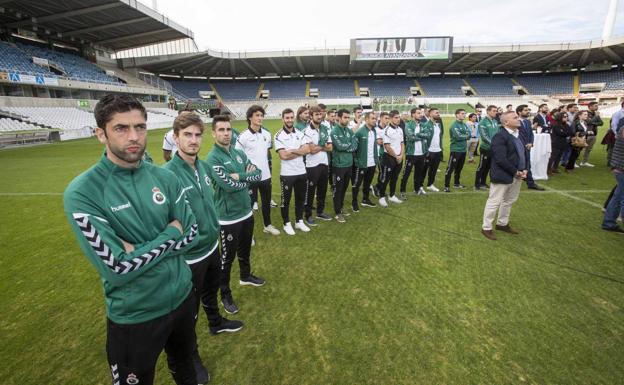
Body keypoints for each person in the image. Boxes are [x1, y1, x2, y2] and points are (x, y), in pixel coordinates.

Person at [64, 94, 200, 385]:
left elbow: (193, 233)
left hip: (183, 297)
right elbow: (118, 269)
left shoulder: (163, 177)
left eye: (140, 127)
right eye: (121, 128)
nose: (134, 136)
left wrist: (138, 250)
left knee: (185, 367)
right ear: (101, 134)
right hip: (136, 315)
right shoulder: (84, 192)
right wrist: (171, 232)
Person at [164, 113, 243, 384]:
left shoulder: (203, 167)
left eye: (197, 135)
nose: (193, 140)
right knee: (188, 313)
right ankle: (191, 356)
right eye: (187, 135)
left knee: (212, 291)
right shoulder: (167, 175)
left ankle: (216, 324)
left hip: (212, 244)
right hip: (189, 257)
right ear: (176, 137)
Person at [205, 115, 266, 315]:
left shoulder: (238, 153)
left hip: (246, 212)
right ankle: (225, 294)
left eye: (228, 130)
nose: (225, 134)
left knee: (245, 248)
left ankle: (245, 276)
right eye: (221, 130)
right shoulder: (212, 159)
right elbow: (228, 186)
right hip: (228, 218)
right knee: (226, 257)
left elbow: (256, 174)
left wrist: (241, 176)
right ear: (213, 133)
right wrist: (246, 179)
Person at [481, 111, 528, 240]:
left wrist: (525, 169)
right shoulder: (500, 136)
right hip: (503, 174)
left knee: (508, 200)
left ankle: (502, 224)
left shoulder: (519, 134)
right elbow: (500, 159)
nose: (518, 119)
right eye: (515, 117)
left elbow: (523, 154)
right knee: (494, 201)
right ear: (506, 122)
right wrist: (515, 171)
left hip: (517, 174)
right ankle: (486, 227)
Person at [236, 105, 280, 236]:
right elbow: (238, 158)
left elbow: (266, 153)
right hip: (251, 177)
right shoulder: (243, 136)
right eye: (257, 115)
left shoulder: (267, 134)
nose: (260, 118)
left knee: (266, 203)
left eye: (262, 115)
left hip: (266, 176)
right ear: (250, 117)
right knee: (248, 206)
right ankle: (249, 234)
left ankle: (268, 225)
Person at [275, 108, 312, 235]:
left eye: (291, 117)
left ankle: (299, 221)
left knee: (300, 199)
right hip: (287, 174)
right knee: (286, 200)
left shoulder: (300, 133)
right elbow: (283, 156)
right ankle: (286, 223)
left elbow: (307, 150)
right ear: (283, 119)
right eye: (287, 118)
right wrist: (299, 150)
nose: (290, 120)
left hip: (301, 171)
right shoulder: (278, 135)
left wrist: (291, 150)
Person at [304, 106, 333, 225]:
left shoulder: (326, 128)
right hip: (312, 165)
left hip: (324, 163)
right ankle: (308, 215)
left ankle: (320, 212)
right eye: (316, 114)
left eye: (320, 114)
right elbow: (311, 150)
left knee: (322, 190)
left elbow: (330, 148)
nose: (320, 116)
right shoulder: (307, 131)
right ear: (311, 116)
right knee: (310, 191)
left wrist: (319, 147)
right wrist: (323, 147)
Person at [331, 109, 357, 222]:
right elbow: (339, 146)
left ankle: (340, 208)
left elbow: (355, 144)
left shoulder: (349, 130)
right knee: (338, 189)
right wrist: (349, 146)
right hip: (339, 165)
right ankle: (337, 213)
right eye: (345, 117)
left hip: (349, 164)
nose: (347, 119)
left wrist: (348, 146)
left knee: (344, 188)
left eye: (348, 117)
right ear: (339, 118)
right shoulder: (334, 132)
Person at [400, 107, 431, 197]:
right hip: (411, 154)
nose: (421, 115)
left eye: (421, 113)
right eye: (418, 113)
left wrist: (417, 135)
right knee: (406, 173)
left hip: (422, 153)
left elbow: (428, 135)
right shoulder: (408, 125)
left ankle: (417, 189)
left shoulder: (423, 125)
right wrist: (421, 136)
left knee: (418, 173)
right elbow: (411, 137)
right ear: (413, 114)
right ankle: (402, 191)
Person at [352, 111, 379, 210]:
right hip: (361, 163)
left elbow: (374, 147)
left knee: (367, 183)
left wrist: (375, 162)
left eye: (375, 118)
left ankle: (365, 199)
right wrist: (357, 161)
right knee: (357, 184)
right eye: (372, 118)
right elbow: (354, 148)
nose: (374, 120)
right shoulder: (360, 132)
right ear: (366, 119)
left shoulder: (374, 131)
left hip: (371, 163)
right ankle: (354, 202)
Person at [378, 110, 405, 206]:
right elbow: (387, 146)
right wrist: (396, 156)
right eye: (396, 117)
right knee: (385, 178)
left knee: (395, 178)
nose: (398, 119)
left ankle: (392, 195)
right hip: (389, 158)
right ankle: (381, 197)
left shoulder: (400, 129)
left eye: (399, 117)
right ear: (390, 119)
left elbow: (402, 143)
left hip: (399, 157)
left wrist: (401, 155)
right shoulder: (387, 130)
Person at [602, 122, 624, 233]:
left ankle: (609, 222)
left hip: (619, 167)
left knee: (618, 196)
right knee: (620, 197)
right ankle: (609, 222)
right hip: (621, 167)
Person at [517, 105, 545, 190]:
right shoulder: (515, 122)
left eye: (528, 110)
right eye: (525, 110)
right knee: (517, 165)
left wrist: (531, 143)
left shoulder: (528, 122)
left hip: (527, 147)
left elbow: (531, 134)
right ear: (519, 112)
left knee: (527, 165)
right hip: (518, 147)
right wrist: (521, 144)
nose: (527, 112)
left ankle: (530, 183)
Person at [444, 109, 471, 192]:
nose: (464, 115)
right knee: (450, 168)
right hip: (455, 150)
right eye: (462, 113)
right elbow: (458, 137)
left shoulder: (464, 124)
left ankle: (456, 183)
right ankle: (446, 186)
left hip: (463, 150)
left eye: (465, 113)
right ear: (457, 115)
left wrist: (465, 135)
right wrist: (466, 136)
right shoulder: (454, 125)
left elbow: (469, 134)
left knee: (459, 168)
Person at [474, 105, 500, 190]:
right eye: (494, 111)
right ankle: (476, 184)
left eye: (496, 111)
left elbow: (498, 133)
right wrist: (494, 143)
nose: (496, 112)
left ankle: (483, 183)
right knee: (481, 166)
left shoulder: (495, 121)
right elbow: (484, 136)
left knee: (488, 167)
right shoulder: (483, 122)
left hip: (494, 149)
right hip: (485, 148)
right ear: (488, 111)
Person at [423, 107, 443, 191]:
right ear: (430, 114)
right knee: (423, 170)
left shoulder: (438, 125)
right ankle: (419, 186)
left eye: (438, 112)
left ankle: (430, 184)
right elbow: (424, 139)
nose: (438, 114)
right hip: (429, 151)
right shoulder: (426, 125)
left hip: (437, 151)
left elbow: (439, 137)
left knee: (434, 170)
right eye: (436, 112)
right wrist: (426, 151)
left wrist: (441, 148)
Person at [581, 101, 603, 167]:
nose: (597, 107)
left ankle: (584, 162)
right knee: (579, 148)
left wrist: (594, 121)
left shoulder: (595, 113)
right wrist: (595, 117)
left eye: (597, 106)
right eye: (595, 106)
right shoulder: (586, 113)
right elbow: (588, 122)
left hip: (594, 134)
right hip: (586, 134)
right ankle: (573, 161)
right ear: (590, 106)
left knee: (588, 149)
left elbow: (601, 123)